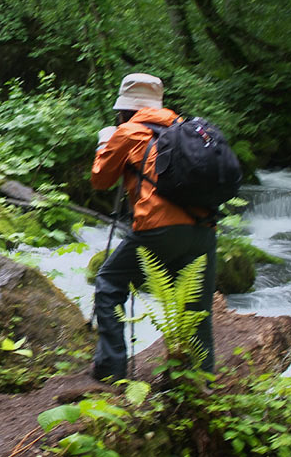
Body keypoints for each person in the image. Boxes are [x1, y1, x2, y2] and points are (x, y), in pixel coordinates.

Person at [90, 72, 216, 381]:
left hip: (158, 227)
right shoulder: (186, 128)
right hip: (204, 228)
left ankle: (111, 369)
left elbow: (101, 180)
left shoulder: (129, 132)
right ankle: (198, 378)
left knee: (108, 284)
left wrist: (105, 143)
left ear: (124, 108)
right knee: (195, 305)